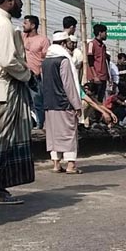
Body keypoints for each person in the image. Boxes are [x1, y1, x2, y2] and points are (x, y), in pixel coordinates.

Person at [0, 0, 33, 205]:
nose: (21, 5)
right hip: (5, 89)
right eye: (19, 0)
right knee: (2, 141)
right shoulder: (3, 25)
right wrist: (28, 75)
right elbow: (8, 61)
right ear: (10, 0)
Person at [42, 31, 82, 174]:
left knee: (53, 135)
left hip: (49, 104)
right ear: (64, 43)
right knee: (69, 134)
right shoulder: (63, 60)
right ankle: (71, 165)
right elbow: (69, 85)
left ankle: (56, 164)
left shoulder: (45, 61)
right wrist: (77, 105)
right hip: (64, 104)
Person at [21, 14, 49, 129]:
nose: (23, 25)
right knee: (24, 102)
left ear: (33, 25)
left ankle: (40, 124)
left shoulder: (43, 40)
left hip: (36, 76)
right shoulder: (22, 37)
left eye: (26, 23)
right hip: (23, 74)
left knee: (37, 101)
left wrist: (40, 72)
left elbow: (46, 59)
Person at [87, 24, 108, 102]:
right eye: (105, 33)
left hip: (103, 77)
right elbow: (90, 61)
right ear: (100, 33)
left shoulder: (103, 46)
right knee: (94, 99)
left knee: (100, 100)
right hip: (96, 77)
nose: (106, 35)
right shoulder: (92, 44)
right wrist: (95, 76)